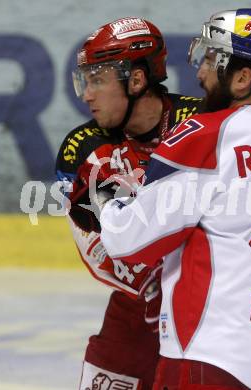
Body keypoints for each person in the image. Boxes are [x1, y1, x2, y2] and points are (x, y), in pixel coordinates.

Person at [100, 8, 251, 390]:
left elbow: (130, 240)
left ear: (242, 77)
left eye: (211, 59)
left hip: (217, 355)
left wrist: (107, 194)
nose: (200, 72)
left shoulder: (207, 133)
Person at [55, 17, 202, 390]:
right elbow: (95, 245)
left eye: (98, 80)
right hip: (135, 313)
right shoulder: (82, 151)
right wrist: (154, 282)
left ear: (136, 80)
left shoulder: (204, 125)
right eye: (85, 81)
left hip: (207, 308)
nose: (87, 94)